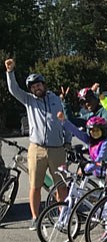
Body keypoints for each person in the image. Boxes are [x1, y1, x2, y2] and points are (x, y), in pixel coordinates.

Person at [4, 59, 69, 230]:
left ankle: (64, 217)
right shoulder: (29, 100)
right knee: (35, 185)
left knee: (61, 185)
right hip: (37, 149)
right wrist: (10, 72)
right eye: (32, 86)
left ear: (43, 84)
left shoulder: (55, 99)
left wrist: (68, 141)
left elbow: (65, 121)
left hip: (57, 149)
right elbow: (13, 90)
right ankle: (35, 217)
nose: (36, 88)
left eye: (38, 84)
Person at [71, 87, 107, 155]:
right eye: (83, 102)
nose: (87, 104)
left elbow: (104, 128)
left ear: (95, 98)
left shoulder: (106, 110)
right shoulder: (90, 116)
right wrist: (65, 103)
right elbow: (72, 121)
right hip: (105, 151)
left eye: (89, 100)